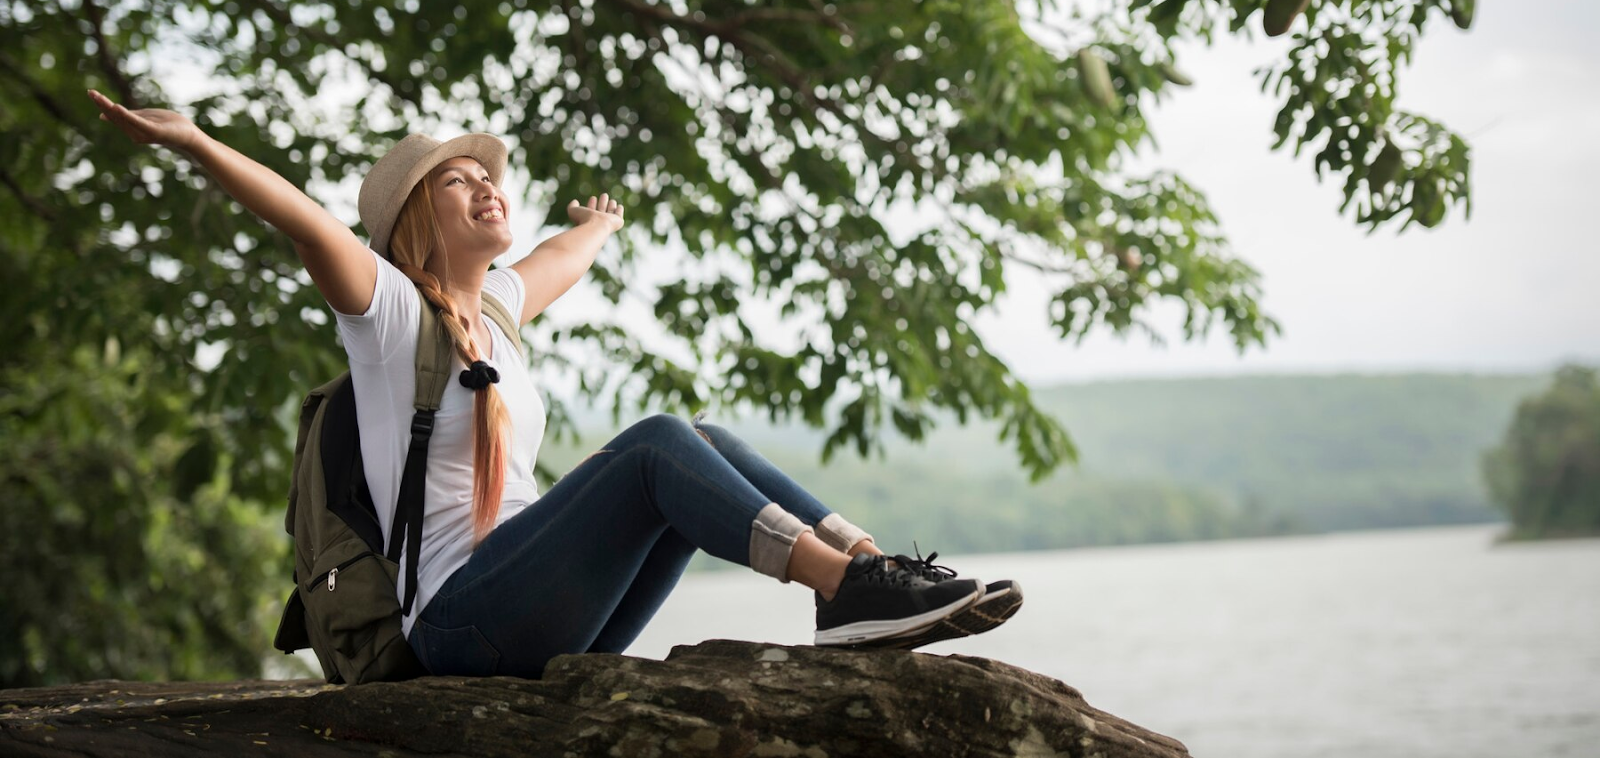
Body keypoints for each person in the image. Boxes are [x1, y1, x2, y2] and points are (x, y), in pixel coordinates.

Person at [87, 88, 1022, 677]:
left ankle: (862, 575)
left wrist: (602, 225)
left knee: (703, 441)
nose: (486, 186)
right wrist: (200, 144)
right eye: (457, 183)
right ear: (415, 223)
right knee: (657, 443)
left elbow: (554, 258)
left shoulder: (493, 314)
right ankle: (845, 589)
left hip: (534, 621)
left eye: (488, 177)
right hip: (453, 631)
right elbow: (309, 226)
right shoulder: (391, 320)